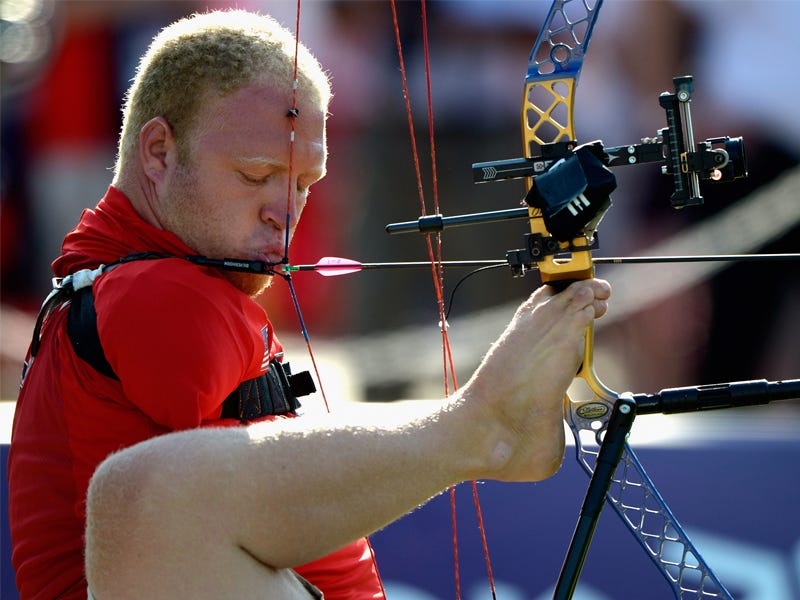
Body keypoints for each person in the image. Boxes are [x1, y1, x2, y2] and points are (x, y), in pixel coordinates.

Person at [8, 9, 612, 600]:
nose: (286, 212)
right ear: (159, 152)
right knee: (139, 493)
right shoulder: (156, 292)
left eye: (302, 182)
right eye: (255, 175)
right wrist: (457, 427)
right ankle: (478, 431)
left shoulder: (152, 284)